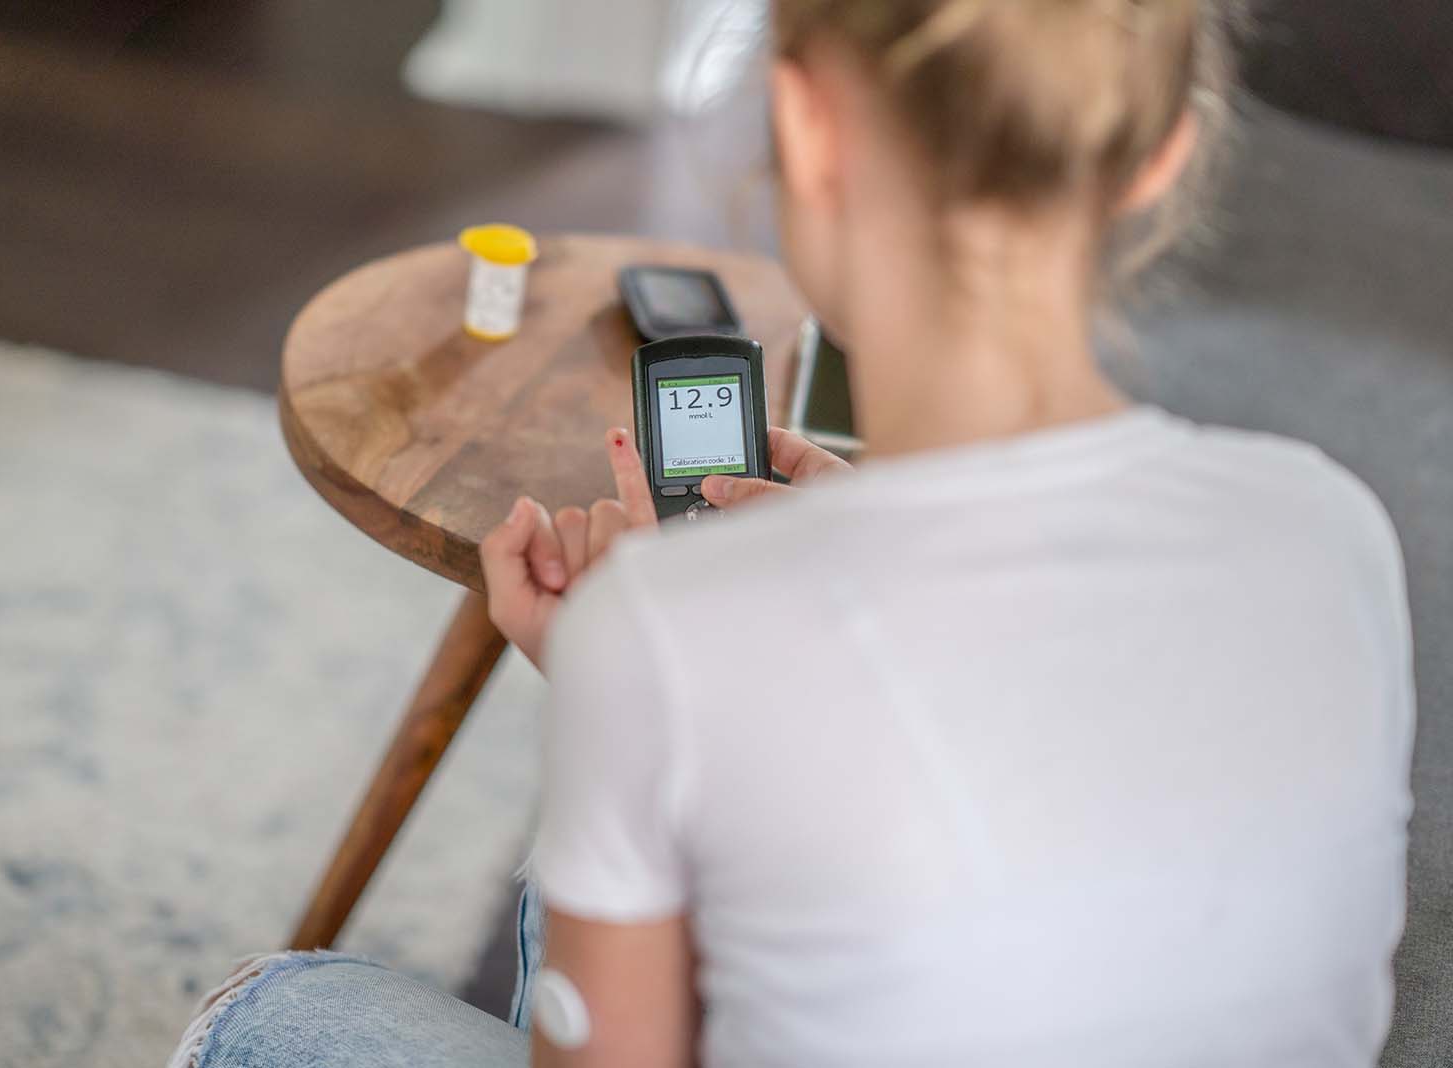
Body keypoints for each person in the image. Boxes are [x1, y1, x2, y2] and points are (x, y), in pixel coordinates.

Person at [168, 1, 1415, 1066]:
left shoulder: (674, 639)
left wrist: (614, 690)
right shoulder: (1331, 525)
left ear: (810, 129)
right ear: (1161, 157)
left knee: (285, 1012)